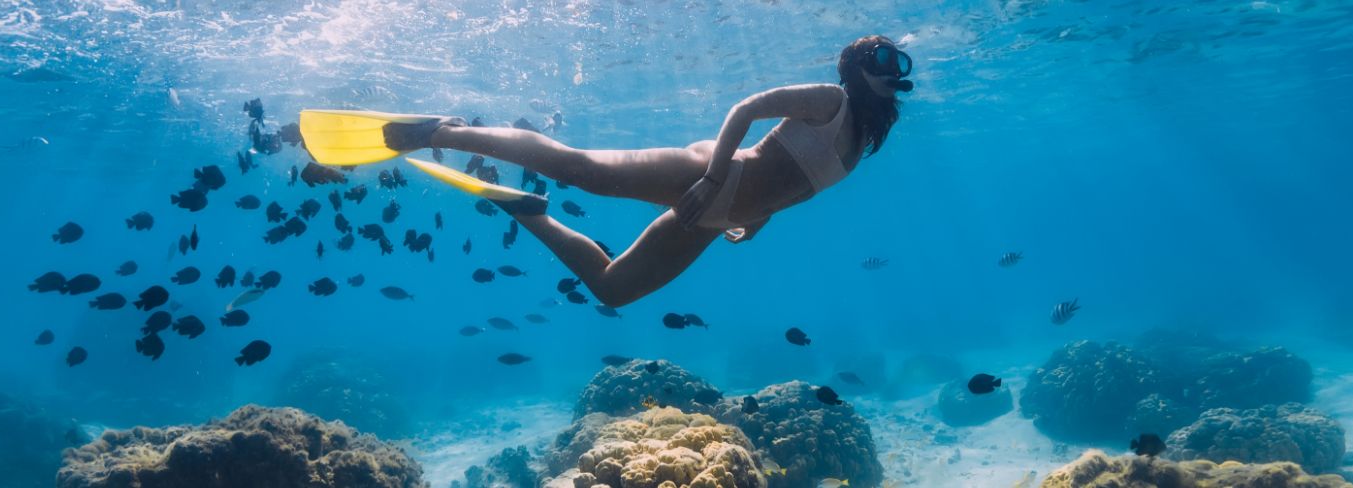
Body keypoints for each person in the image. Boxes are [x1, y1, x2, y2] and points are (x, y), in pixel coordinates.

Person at [297, 35, 912, 307]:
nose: (894, 66)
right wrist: (712, 177)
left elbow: (794, 177)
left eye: (898, 59)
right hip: (708, 176)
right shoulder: (829, 101)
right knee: (581, 168)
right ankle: (442, 130)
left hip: (717, 214)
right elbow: (747, 110)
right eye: (883, 56)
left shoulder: (862, 140)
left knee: (614, 289)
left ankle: (524, 209)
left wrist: (760, 219)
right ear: (855, 68)